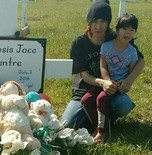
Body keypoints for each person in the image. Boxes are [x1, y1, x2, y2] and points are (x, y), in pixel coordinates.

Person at [61, 2, 145, 134]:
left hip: (112, 90)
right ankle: (99, 120)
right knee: (68, 124)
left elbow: (141, 61)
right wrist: (103, 82)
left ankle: (102, 121)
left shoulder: (116, 37)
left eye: (103, 21)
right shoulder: (79, 43)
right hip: (84, 90)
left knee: (124, 105)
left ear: (109, 23)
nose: (98, 27)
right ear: (89, 22)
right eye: (95, 21)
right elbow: (85, 75)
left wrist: (129, 80)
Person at [81, 13, 139, 143]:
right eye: (125, 29)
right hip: (105, 81)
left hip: (118, 85)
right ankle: (100, 126)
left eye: (132, 30)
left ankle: (103, 132)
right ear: (117, 30)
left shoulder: (132, 51)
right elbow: (103, 67)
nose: (128, 33)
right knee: (86, 100)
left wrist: (125, 82)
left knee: (101, 99)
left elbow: (131, 71)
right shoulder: (106, 47)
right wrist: (106, 81)